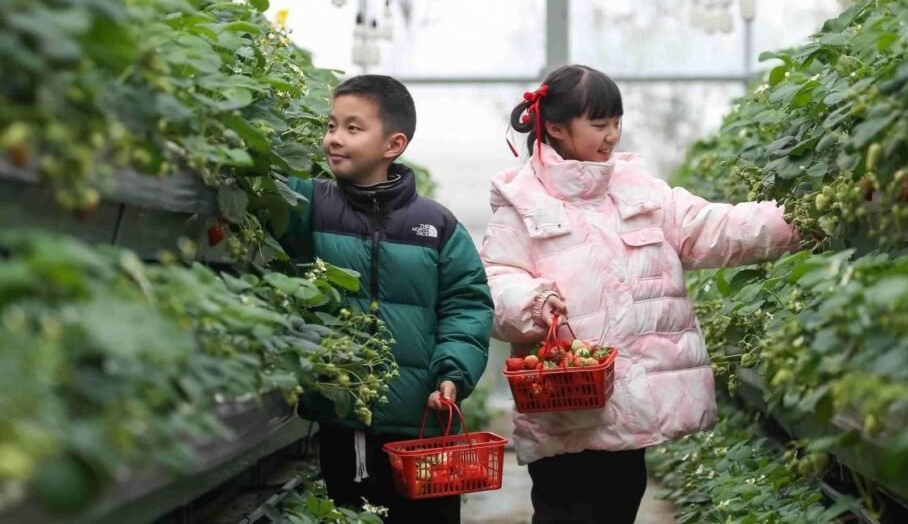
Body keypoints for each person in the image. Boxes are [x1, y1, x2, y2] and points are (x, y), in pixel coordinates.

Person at [481, 64, 800, 524]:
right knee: (564, 510)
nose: (612, 135)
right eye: (599, 124)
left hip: (629, 407)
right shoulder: (523, 203)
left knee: (619, 503)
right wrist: (532, 301)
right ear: (555, 128)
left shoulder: (640, 192)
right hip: (564, 405)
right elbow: (495, 281)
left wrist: (799, 220)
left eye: (616, 122)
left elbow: (713, 226)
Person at [282, 74, 494, 523]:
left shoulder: (437, 226)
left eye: (352, 128)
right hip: (346, 423)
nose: (334, 138)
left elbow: (467, 305)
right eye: (331, 125)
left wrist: (452, 373)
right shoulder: (309, 205)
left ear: (393, 144)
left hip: (424, 429)